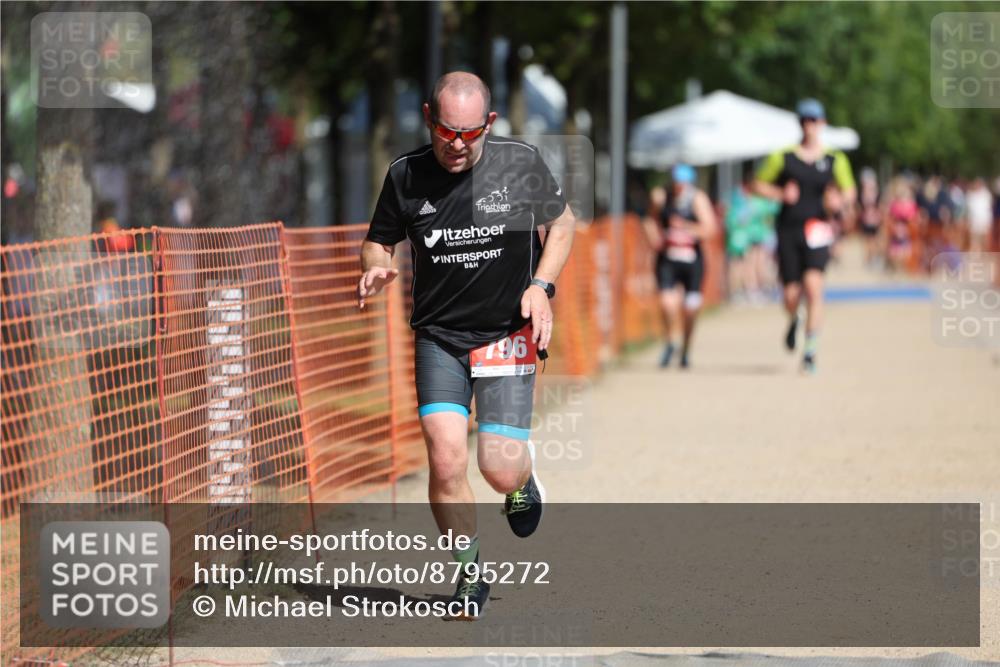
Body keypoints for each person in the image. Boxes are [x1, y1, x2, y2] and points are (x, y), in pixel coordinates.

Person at [358, 72, 575, 619]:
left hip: (506, 332)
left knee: (498, 467)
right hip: (440, 337)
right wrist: (376, 268)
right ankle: (469, 574)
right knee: (446, 455)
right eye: (447, 132)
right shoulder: (405, 175)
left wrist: (541, 287)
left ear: (490, 124)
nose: (457, 145)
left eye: (470, 134)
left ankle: (522, 482)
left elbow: (562, 223)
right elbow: (377, 241)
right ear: (429, 117)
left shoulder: (519, 162)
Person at [754, 98, 856, 374]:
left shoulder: (835, 159)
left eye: (813, 120)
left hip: (818, 229)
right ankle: (794, 318)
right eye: (804, 120)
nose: (809, 126)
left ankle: (810, 351)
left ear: (822, 123)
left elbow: (849, 191)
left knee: (813, 288)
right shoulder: (783, 156)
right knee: (790, 294)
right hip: (788, 229)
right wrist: (779, 194)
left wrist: (838, 202)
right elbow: (757, 184)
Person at [643, 164, 717, 368]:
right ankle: (670, 341)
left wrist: (685, 227)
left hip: (692, 261)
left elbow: (710, 229)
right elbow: (649, 219)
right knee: (667, 304)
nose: (678, 187)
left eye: (682, 184)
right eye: (676, 183)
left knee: (690, 309)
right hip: (668, 258)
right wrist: (655, 239)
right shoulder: (660, 196)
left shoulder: (697, 199)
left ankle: (686, 348)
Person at [858, 167, 883, 268]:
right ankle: (870, 259)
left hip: (875, 221)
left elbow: (880, 207)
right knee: (869, 241)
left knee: (875, 241)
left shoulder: (876, 193)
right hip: (867, 221)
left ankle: (873, 258)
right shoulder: (863, 194)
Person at [965, 177, 994, 254]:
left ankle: (984, 254)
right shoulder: (970, 195)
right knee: (974, 239)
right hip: (974, 221)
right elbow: (969, 210)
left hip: (984, 220)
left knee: (984, 239)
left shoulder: (986, 195)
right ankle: (975, 254)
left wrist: (989, 222)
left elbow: (988, 209)